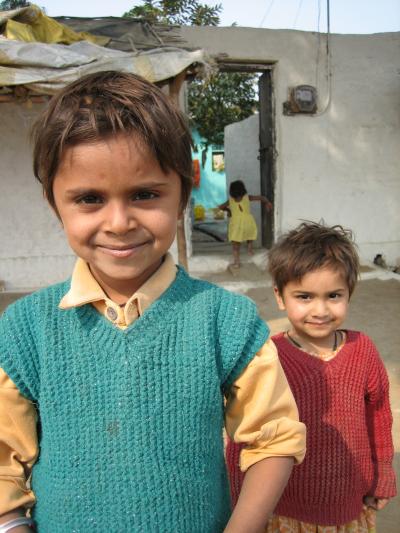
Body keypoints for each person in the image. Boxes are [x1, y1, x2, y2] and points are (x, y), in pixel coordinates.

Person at [0, 71, 306, 533]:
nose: (119, 222)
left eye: (145, 194)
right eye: (88, 198)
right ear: (54, 204)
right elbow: (5, 458)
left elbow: (275, 438)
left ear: (182, 193)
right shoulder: (25, 330)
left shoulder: (227, 321)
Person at [226, 221, 397, 532]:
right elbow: (246, 435)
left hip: (349, 503)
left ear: (350, 293)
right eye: (304, 297)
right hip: (286, 507)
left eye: (333, 295)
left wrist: (382, 473)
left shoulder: (363, 350)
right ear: (280, 297)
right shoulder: (268, 357)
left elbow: (379, 416)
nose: (320, 310)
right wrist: (242, 502)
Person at [218, 180, 272, 268]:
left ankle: (236, 262)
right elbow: (262, 198)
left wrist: (229, 211)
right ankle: (250, 249)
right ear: (243, 189)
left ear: (231, 191)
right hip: (248, 221)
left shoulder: (230, 201)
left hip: (236, 224)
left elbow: (220, 207)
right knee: (249, 234)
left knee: (235, 244)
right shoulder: (247, 197)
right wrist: (268, 203)